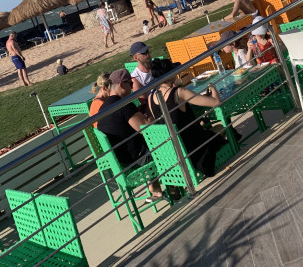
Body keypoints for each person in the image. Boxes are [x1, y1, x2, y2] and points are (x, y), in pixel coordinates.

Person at [147, 65, 226, 177]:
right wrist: (213, 87)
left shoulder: (151, 97)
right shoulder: (179, 92)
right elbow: (216, 102)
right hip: (194, 149)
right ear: (170, 76)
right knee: (221, 127)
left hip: (172, 152)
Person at [97, 69, 163, 198]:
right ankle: (175, 185)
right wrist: (152, 111)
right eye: (130, 84)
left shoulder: (103, 109)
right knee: (171, 140)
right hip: (138, 160)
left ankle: (156, 186)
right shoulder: (124, 105)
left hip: (121, 163)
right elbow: (147, 129)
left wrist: (138, 113)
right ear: (121, 84)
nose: (132, 88)